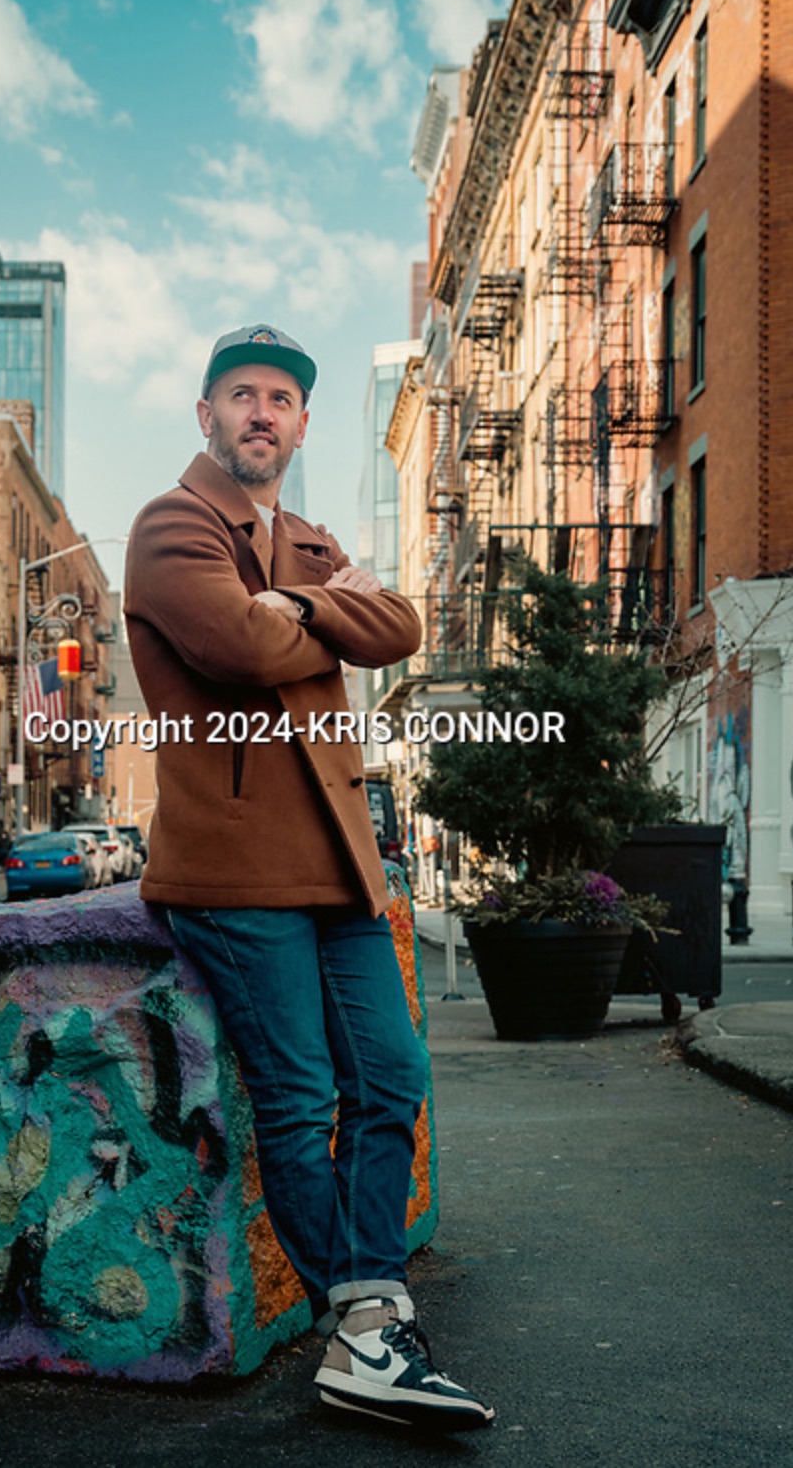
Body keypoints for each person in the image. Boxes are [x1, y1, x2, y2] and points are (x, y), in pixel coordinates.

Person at [124, 324, 494, 1432]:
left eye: (281, 398)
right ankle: (373, 1330)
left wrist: (301, 602)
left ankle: (367, 1312)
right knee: (299, 1100)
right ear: (206, 415)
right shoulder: (170, 524)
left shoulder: (308, 541)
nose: (261, 412)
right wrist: (313, 603)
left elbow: (402, 623)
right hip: (235, 869)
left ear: (300, 421)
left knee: (395, 1077)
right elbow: (238, 647)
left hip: (342, 867)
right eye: (241, 394)